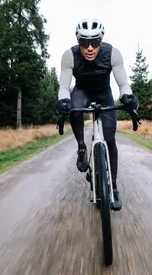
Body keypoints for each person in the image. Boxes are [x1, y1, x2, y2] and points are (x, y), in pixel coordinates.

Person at [55, 18, 139, 211]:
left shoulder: (112, 54)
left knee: (110, 139)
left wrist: (127, 97)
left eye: (95, 42)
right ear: (78, 42)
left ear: (101, 40)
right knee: (74, 109)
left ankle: (114, 186)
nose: (90, 47)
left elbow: (123, 84)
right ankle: (82, 148)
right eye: (84, 42)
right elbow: (64, 87)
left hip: (104, 94)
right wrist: (63, 101)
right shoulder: (70, 56)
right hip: (81, 92)